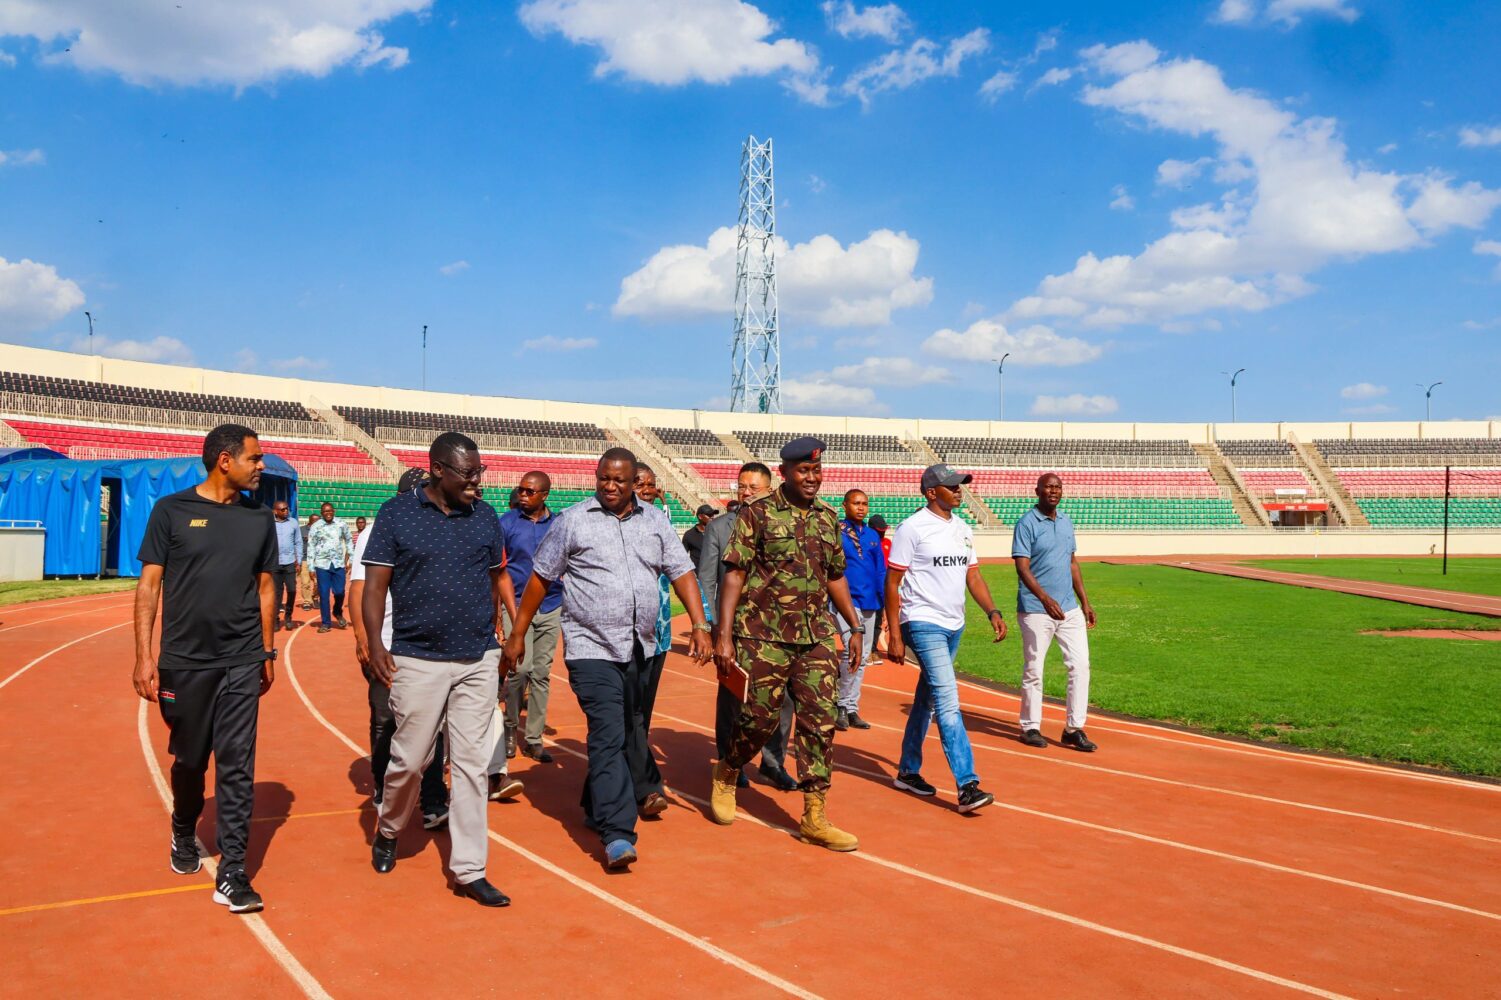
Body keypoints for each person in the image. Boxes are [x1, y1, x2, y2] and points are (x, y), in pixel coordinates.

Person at [506, 447, 712, 871]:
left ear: (634, 480)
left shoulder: (654, 520)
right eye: (605, 479)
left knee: (627, 727)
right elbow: (542, 578)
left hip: (640, 646)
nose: (611, 487)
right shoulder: (574, 520)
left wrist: (701, 623)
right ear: (595, 476)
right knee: (607, 732)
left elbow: (681, 572)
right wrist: (518, 633)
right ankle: (617, 832)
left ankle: (593, 803)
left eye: (620, 480)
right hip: (591, 647)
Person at [362, 432, 514, 908]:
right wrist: (373, 643)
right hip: (416, 658)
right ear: (438, 470)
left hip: (476, 657)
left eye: (480, 472)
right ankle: (389, 827)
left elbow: (495, 578)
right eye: (468, 473)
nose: (477, 481)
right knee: (409, 760)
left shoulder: (485, 516)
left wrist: (500, 639)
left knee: (470, 766)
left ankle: (470, 869)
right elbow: (374, 587)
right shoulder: (396, 514)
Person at [132, 423, 278, 914]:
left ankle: (233, 872)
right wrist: (144, 655)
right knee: (191, 760)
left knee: (237, 765)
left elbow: (265, 588)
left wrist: (267, 649)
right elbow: (150, 586)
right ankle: (182, 828)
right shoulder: (170, 511)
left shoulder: (259, 520)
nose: (261, 467)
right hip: (184, 663)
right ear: (225, 461)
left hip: (240, 659)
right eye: (255, 459)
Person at [708, 437, 866, 852]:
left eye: (817, 470)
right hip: (762, 636)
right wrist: (723, 636)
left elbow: (834, 575)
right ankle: (728, 768)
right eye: (804, 471)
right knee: (758, 720)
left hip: (815, 637)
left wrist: (854, 626)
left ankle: (815, 814)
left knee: (820, 723)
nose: (812, 477)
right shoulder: (757, 515)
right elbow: (735, 574)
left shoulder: (829, 518)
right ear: (785, 473)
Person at [885, 464, 1005, 813]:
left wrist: (992, 611)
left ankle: (907, 771)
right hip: (922, 622)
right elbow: (892, 583)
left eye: (961, 485)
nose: (959, 490)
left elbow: (974, 576)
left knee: (927, 698)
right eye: (952, 486)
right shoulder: (913, 528)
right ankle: (967, 785)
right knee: (948, 700)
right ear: (931, 493)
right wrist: (894, 633)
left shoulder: (964, 529)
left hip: (955, 624)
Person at [350, 469, 451, 830]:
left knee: (435, 723)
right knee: (386, 722)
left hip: (427, 646)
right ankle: (382, 787)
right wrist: (365, 639)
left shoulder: (441, 529)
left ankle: (433, 799)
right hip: (388, 644)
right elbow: (360, 590)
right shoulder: (377, 531)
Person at [696, 462, 795, 792]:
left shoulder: (783, 525)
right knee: (733, 699)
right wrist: (711, 626)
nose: (746, 492)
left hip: (777, 629)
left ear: (769, 489)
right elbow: (707, 578)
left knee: (783, 699)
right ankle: (730, 761)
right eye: (741, 486)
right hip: (734, 628)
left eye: (753, 487)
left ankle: (773, 762)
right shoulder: (720, 527)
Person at [1012, 473, 1098, 753]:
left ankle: (1074, 728)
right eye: (1048, 486)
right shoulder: (1026, 523)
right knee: (1034, 669)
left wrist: (1084, 601)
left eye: (1058, 487)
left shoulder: (1066, 521)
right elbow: (1022, 567)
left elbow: (1072, 563)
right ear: (1037, 490)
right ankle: (1030, 726)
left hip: (1069, 608)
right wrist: (1045, 598)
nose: (1053, 491)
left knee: (1080, 665)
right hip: (1036, 609)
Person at [495, 470, 562, 767]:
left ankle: (533, 739)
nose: (522, 495)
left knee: (541, 674)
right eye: (520, 490)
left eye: (529, 491)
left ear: (545, 495)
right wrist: (499, 613)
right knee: (519, 671)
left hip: (551, 606)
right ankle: (510, 729)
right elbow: (498, 570)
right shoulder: (507, 523)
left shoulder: (560, 524)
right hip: (517, 606)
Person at [632, 462, 676, 814]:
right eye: (639, 483)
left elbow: (679, 570)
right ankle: (645, 786)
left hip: (658, 635)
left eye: (650, 484)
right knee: (627, 716)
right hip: (623, 638)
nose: (646, 489)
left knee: (641, 716)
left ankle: (601, 793)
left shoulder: (660, 522)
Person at [834, 489, 886, 731]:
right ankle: (841, 705)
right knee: (849, 652)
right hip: (845, 601)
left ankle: (852, 707)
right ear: (845, 505)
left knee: (862, 658)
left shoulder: (873, 535)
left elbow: (880, 571)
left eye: (865, 503)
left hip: (869, 602)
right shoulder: (836, 531)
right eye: (856, 503)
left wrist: (883, 601)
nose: (861, 507)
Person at [308, 502, 352, 633]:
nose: (328, 513)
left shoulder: (341, 524)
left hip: (338, 564)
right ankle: (326, 623)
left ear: (334, 511)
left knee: (339, 592)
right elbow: (311, 546)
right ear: (322, 513)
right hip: (322, 565)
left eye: (330, 511)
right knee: (324, 594)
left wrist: (351, 559)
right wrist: (311, 567)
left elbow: (349, 540)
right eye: (325, 511)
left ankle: (337, 611)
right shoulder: (316, 526)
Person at [271, 499, 302, 631]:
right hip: (275, 563)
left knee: (292, 590)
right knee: (276, 593)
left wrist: (298, 560)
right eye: (282, 509)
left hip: (290, 562)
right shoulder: (269, 523)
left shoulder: (293, 523)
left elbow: (298, 542)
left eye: (287, 508)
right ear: (275, 511)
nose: (286, 511)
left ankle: (288, 616)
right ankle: (276, 619)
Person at [866, 514, 891, 662]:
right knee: (866, 620)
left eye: (884, 530)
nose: (883, 533)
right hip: (868, 587)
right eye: (879, 530)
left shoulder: (888, 543)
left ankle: (873, 650)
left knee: (877, 621)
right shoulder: (866, 542)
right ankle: (863, 650)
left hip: (883, 587)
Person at [299, 513, 319, 611]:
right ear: (310, 520)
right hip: (305, 559)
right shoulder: (301, 530)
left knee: (318, 582)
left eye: (318, 520)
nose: (316, 522)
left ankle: (315, 597)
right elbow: (297, 544)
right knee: (305, 582)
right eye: (314, 520)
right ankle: (307, 601)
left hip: (319, 560)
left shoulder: (322, 530)